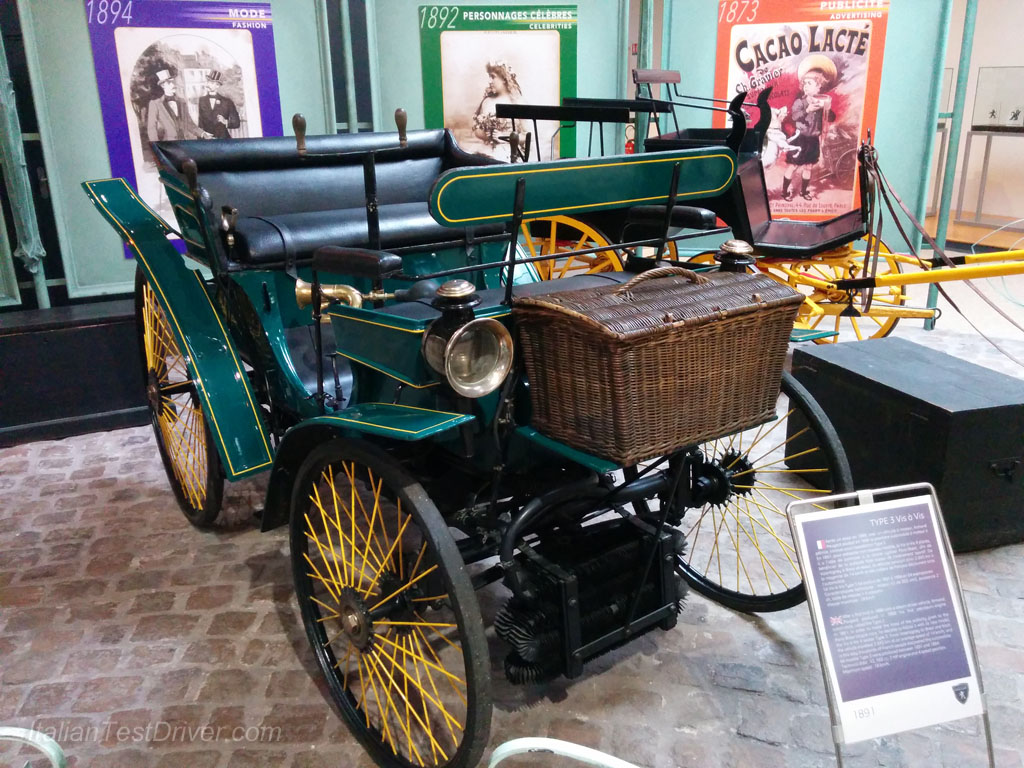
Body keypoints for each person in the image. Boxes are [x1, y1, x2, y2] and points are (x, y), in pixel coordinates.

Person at [782, 54, 837, 202]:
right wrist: (808, 110)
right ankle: (784, 191)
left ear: (819, 87)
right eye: (804, 83)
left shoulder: (822, 102)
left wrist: (827, 108)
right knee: (793, 166)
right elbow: (794, 117)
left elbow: (831, 118)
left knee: (808, 167)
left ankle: (804, 191)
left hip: (813, 140)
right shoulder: (800, 102)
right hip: (800, 139)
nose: (805, 86)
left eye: (810, 83)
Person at [472, 61, 522, 150]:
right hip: (488, 149)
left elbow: (527, 136)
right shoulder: (487, 102)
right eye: (489, 77)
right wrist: (486, 135)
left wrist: (504, 138)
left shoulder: (516, 102)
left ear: (504, 79)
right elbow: (476, 129)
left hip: (509, 150)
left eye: (493, 77)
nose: (489, 81)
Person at [146, 69, 203, 142]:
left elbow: (190, 124)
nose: (173, 85)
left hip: (185, 143)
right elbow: (151, 128)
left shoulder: (182, 102)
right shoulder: (155, 104)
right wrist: (157, 146)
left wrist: (203, 134)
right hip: (168, 145)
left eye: (173, 82)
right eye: (169, 83)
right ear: (163, 85)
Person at [197, 70, 241, 139]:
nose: (207, 85)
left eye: (211, 83)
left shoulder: (227, 102)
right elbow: (200, 123)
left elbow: (236, 123)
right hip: (206, 141)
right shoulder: (201, 100)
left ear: (217, 85)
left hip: (223, 140)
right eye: (208, 82)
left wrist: (225, 122)